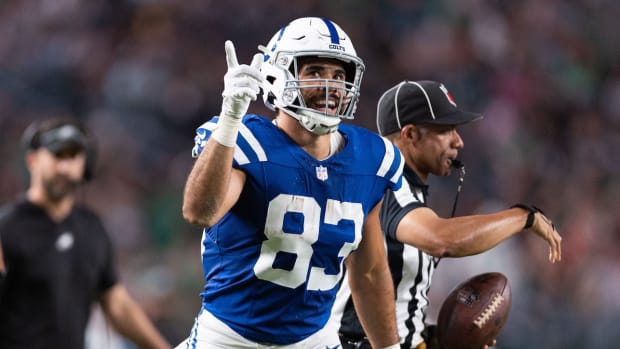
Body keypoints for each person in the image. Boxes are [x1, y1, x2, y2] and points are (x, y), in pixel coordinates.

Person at [178, 17, 408, 349]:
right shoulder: (246, 141)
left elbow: (370, 273)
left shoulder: (370, 158)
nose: (331, 86)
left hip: (314, 338)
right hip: (229, 338)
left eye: (339, 75)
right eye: (315, 71)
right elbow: (200, 212)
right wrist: (229, 119)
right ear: (278, 75)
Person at [329, 80, 562, 349]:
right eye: (445, 130)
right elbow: (441, 239)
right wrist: (524, 217)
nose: (458, 141)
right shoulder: (386, 185)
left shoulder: (403, 189)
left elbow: (394, 298)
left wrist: (432, 337)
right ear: (410, 135)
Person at [0, 117, 172, 349]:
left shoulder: (91, 228)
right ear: (32, 161)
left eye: (73, 157)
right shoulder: (7, 227)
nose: (65, 167)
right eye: (56, 156)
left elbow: (116, 303)